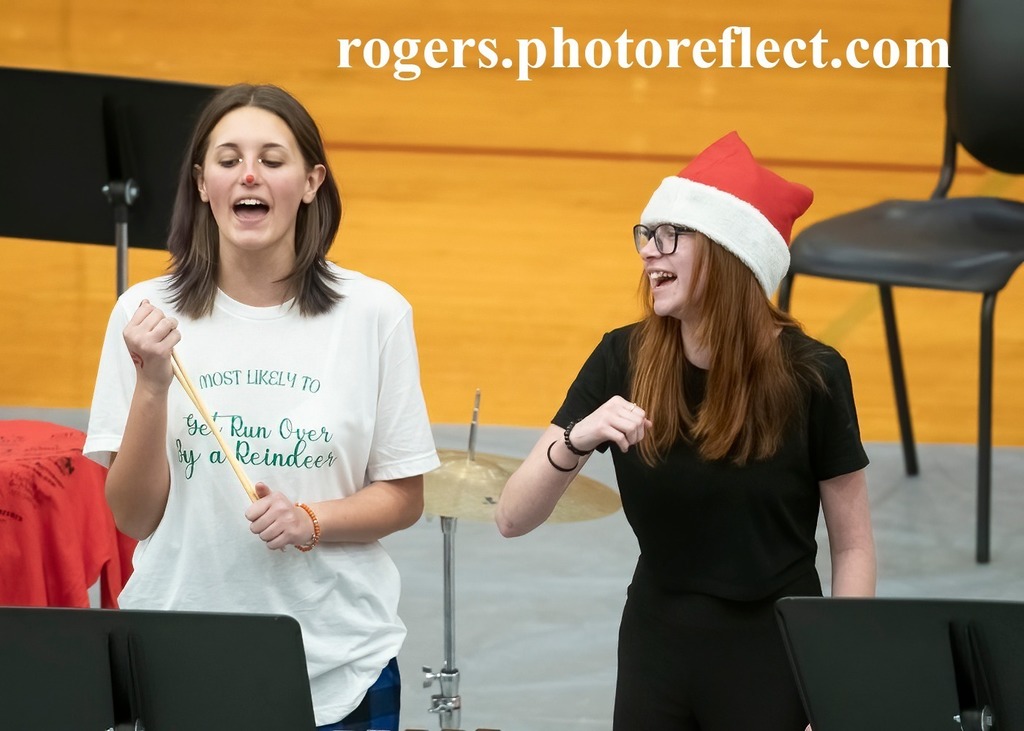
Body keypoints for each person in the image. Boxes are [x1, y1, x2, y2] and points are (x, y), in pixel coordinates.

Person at [84, 83, 439, 731]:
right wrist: (154, 383)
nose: (249, 174)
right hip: (178, 657)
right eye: (228, 159)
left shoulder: (375, 314)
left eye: (273, 159)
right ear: (201, 183)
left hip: (337, 665)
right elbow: (132, 515)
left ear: (311, 182)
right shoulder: (144, 314)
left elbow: (404, 496)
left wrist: (312, 518)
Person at [495, 131, 876, 731]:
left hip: (774, 646)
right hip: (658, 641)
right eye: (646, 234)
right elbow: (512, 517)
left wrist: (837, 682)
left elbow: (853, 547)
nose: (649, 251)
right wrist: (578, 437)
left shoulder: (814, 376)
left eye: (670, 235)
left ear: (732, 254)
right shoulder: (622, 357)